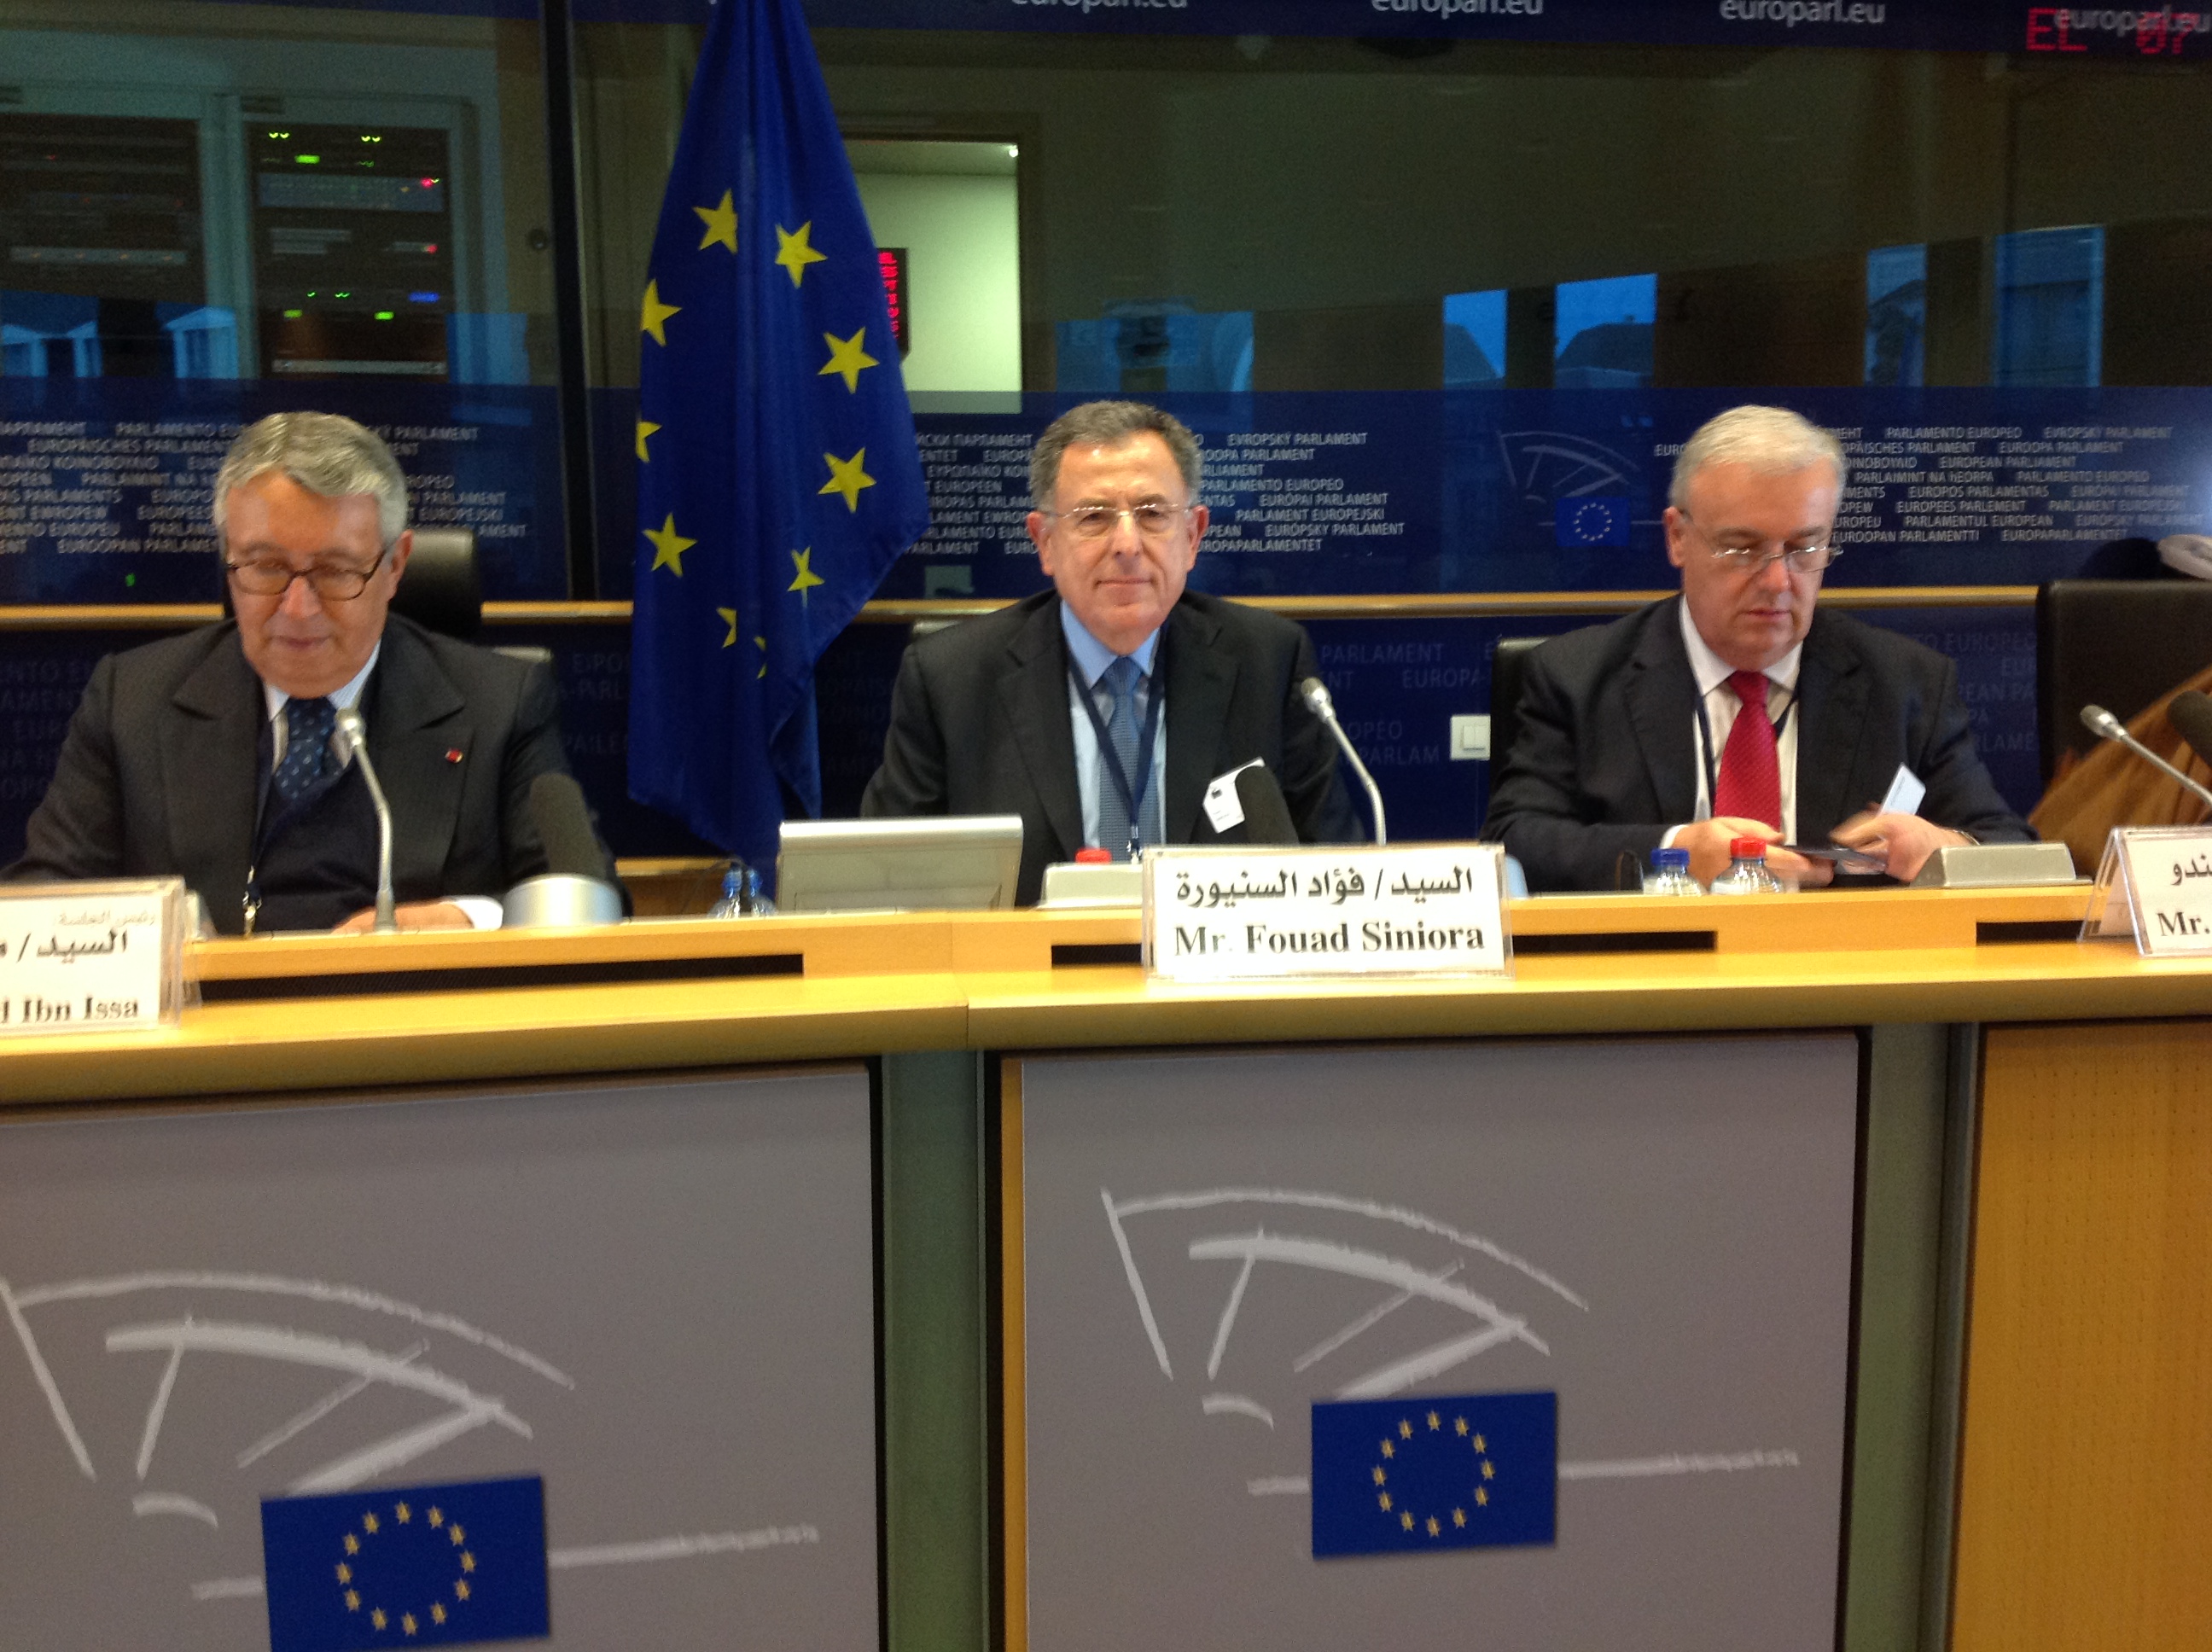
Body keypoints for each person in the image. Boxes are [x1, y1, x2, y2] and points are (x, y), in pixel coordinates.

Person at [3, 412, 606, 934]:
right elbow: (42, 901)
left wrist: (465, 920)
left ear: (395, 566)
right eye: (265, 567)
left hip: (413, 1015)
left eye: (336, 571)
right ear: (229, 559)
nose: (298, 608)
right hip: (209, 1020)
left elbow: (586, 898)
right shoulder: (132, 701)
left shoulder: (499, 703)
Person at [1483, 404, 2033, 892]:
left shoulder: (1907, 682)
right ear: (1678, 537)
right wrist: (1676, 850)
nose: (1777, 580)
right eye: (1742, 549)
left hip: (1842, 969)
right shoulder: (1575, 677)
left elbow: (2016, 852)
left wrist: (1942, 849)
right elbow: (1515, 841)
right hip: (1652, 969)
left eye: (1804, 547)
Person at [860, 399, 1359, 904]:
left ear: (1192, 536)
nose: (1126, 544)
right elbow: (886, 889)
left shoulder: (1268, 663)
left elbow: (1339, 878)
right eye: (1094, 517)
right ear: (1045, 541)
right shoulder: (951, 681)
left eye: (1152, 514)